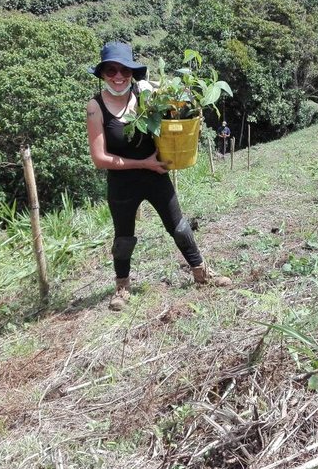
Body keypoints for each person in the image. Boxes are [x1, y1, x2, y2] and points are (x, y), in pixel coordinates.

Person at [85, 42, 231, 311]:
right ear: (102, 74)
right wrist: (144, 163)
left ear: (133, 73)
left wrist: (191, 101)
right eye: (111, 71)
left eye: (124, 71)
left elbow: (179, 101)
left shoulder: (146, 94)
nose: (118, 77)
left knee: (179, 226)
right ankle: (122, 287)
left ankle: (201, 273)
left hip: (156, 176)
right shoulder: (95, 107)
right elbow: (100, 158)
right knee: (123, 237)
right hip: (122, 183)